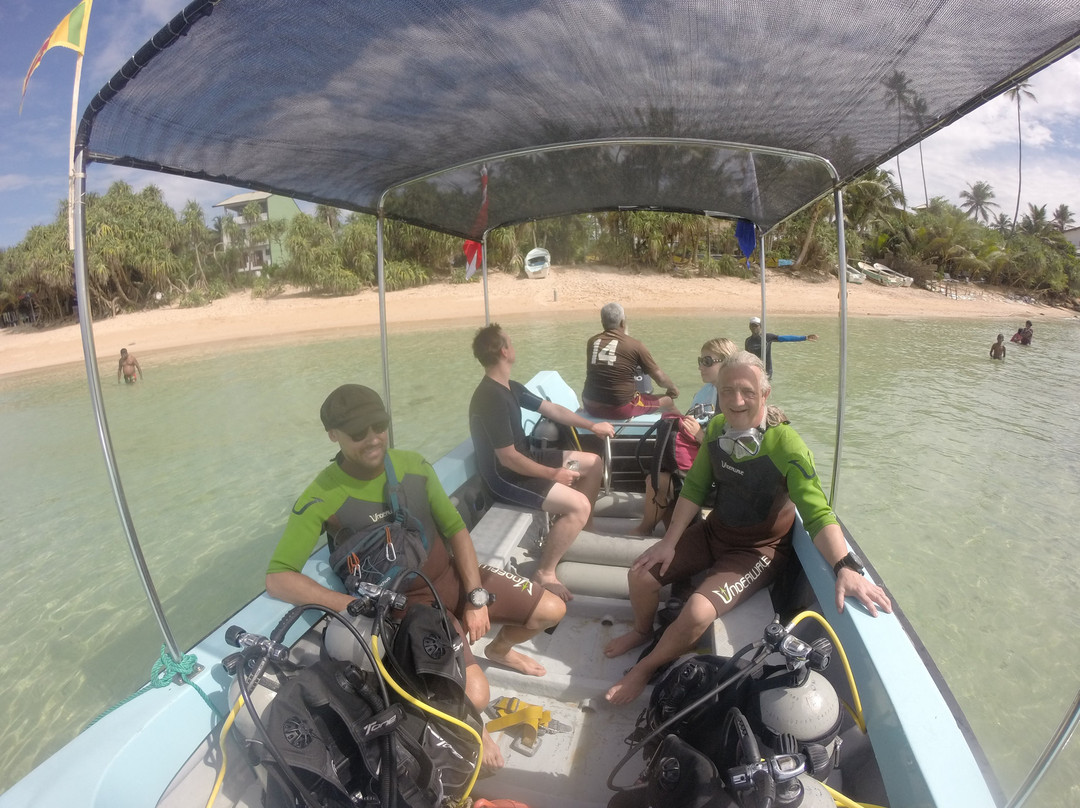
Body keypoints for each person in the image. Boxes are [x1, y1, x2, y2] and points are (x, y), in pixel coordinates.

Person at [266, 384, 567, 771]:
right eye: (358, 433)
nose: (372, 438)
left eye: (379, 425)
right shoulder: (322, 496)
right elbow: (278, 578)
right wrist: (347, 604)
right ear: (333, 435)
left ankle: (499, 649)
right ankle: (471, 716)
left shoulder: (414, 465)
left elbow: (457, 529)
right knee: (476, 695)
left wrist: (475, 595)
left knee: (551, 609)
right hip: (412, 613)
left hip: (457, 582)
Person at [604, 351, 892, 705]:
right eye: (727, 391)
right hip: (715, 532)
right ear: (717, 393)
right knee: (641, 574)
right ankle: (641, 630)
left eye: (747, 391)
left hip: (759, 550)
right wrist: (669, 542)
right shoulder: (715, 431)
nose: (736, 401)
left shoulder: (787, 445)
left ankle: (645, 667)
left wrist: (845, 566)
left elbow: (817, 514)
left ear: (765, 394)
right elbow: (693, 489)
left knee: (696, 610)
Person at [470, 324, 616, 602]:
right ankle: (545, 573)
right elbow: (507, 458)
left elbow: (553, 410)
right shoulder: (490, 397)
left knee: (592, 463)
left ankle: (581, 527)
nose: (514, 346)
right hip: (506, 478)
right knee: (579, 504)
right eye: (510, 342)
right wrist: (555, 474)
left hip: (528, 460)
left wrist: (592, 426)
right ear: (504, 351)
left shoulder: (510, 387)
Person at [632, 337, 737, 536]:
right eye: (700, 361)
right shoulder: (706, 392)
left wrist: (700, 436)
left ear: (726, 362)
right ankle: (674, 532)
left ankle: (644, 530)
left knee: (659, 481)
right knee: (657, 475)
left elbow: (734, 451)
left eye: (707, 361)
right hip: (697, 463)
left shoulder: (732, 400)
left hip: (719, 475)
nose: (700, 367)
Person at [582, 302, 680, 418]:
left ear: (602, 322)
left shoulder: (592, 342)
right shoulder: (635, 345)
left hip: (589, 406)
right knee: (668, 401)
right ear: (623, 322)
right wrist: (673, 388)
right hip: (619, 409)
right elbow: (660, 379)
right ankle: (690, 432)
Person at [744, 316, 817, 379]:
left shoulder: (767, 337)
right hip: (753, 371)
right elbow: (747, 358)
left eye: (756, 326)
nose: (754, 328)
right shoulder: (748, 341)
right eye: (752, 326)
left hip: (766, 372)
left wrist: (805, 337)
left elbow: (785, 338)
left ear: (761, 326)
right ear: (749, 327)